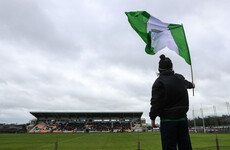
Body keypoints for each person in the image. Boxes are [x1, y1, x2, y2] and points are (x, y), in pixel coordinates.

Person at [149, 54, 195, 150]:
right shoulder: (180, 78)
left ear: (159, 69)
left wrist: (152, 118)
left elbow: (156, 103)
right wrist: (192, 85)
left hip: (168, 121)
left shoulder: (158, 82)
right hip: (182, 120)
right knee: (186, 146)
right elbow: (188, 84)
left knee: (169, 147)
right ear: (171, 66)